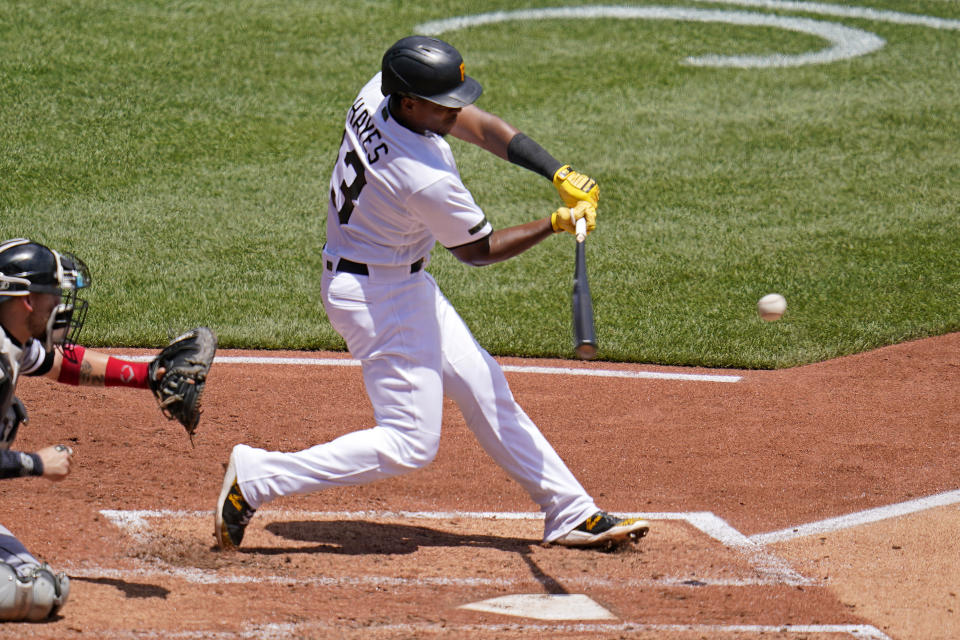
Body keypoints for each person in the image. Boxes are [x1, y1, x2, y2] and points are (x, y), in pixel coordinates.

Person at [216, 36, 649, 551]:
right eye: (444, 102)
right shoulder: (420, 175)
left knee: (484, 385)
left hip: (395, 280)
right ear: (410, 102)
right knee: (409, 443)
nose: (456, 109)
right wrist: (556, 222)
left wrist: (554, 170)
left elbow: (482, 127)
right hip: (379, 298)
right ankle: (259, 476)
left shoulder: (381, 92)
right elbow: (478, 251)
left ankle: (569, 511)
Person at [0, 238, 177, 621]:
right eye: (52, 295)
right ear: (26, 300)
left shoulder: (9, 339)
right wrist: (36, 463)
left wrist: (145, 376)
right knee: (33, 594)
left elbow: (62, 364)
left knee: (38, 583)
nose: (59, 307)